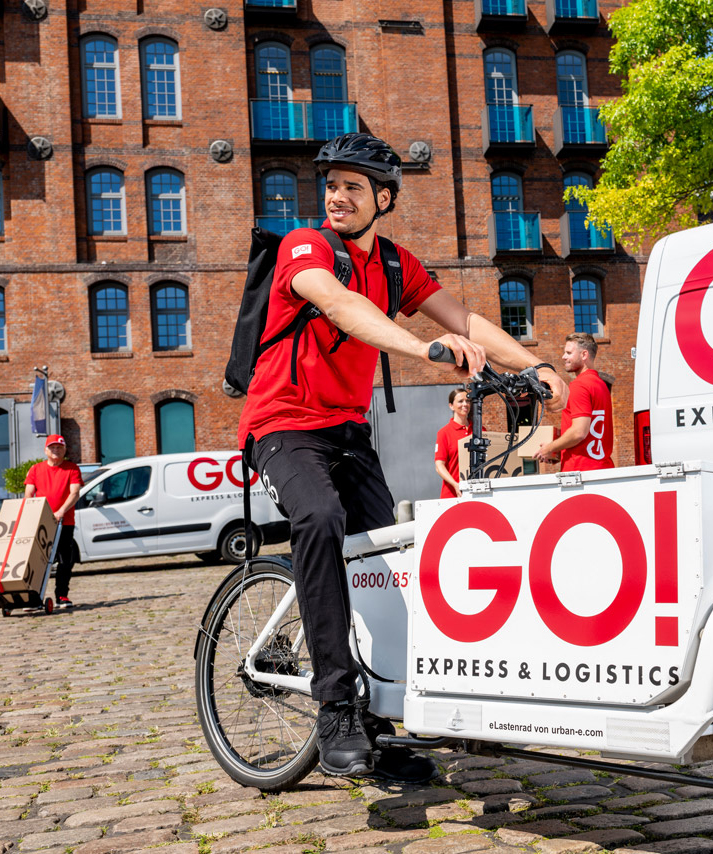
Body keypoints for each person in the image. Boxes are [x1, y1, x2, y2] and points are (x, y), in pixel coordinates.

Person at [236, 133, 567, 784]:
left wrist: (537, 365)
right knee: (322, 520)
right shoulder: (305, 247)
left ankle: (381, 720)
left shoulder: (394, 264)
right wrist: (424, 350)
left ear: (383, 198)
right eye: (331, 184)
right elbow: (339, 304)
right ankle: (336, 707)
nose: (337, 196)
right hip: (282, 425)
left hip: (348, 432)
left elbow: (466, 320)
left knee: (387, 558)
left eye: (353, 187)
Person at [534, 332, 614, 471]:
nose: (563, 357)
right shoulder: (600, 385)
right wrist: (559, 451)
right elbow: (589, 432)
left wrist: (549, 448)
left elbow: (579, 432)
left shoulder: (580, 385)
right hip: (601, 467)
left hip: (580, 471)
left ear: (584, 355)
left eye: (569, 353)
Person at [23, 435, 83, 609]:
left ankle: (62, 596)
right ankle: (33, 597)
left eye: (59, 448)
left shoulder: (72, 469)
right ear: (45, 450)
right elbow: (28, 494)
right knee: (37, 560)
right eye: (52, 448)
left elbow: (74, 493)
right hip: (42, 523)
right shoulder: (35, 469)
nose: (56, 451)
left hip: (65, 522)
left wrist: (61, 511)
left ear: (64, 450)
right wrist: (35, 513)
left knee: (65, 560)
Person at [433, 387, 471, 498]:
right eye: (460, 401)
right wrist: (455, 485)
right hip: (452, 495)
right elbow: (439, 465)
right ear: (451, 406)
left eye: (467, 401)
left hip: (477, 493)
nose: (465, 404)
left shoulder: (480, 430)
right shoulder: (444, 433)